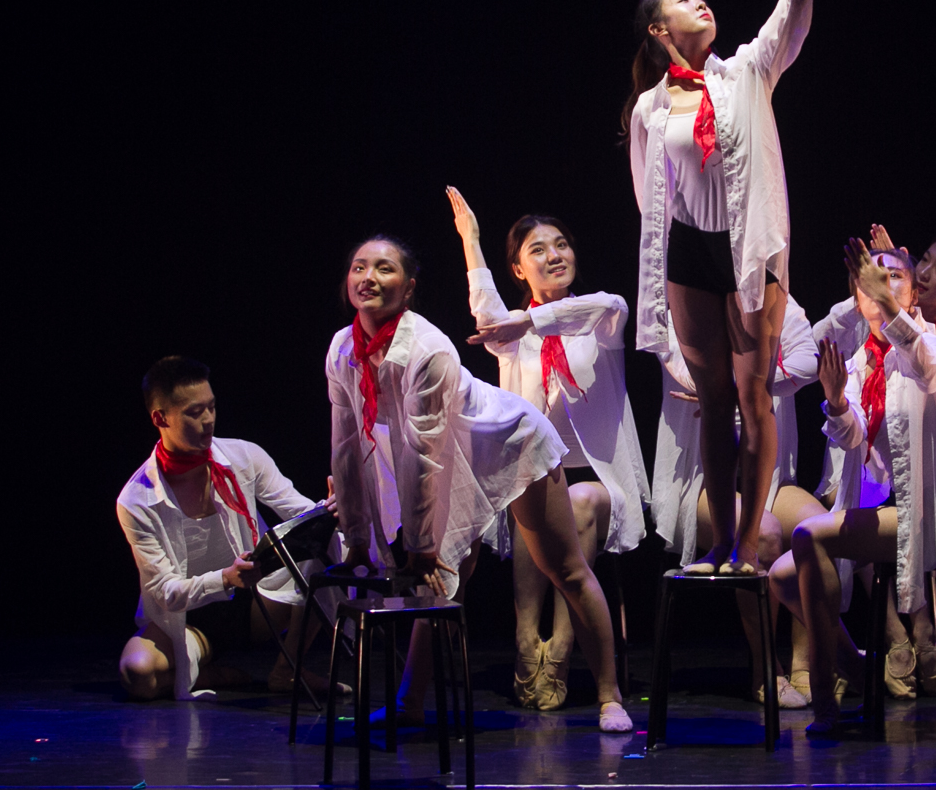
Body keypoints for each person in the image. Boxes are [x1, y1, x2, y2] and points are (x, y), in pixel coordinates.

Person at [328, 235, 631, 732]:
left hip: (508, 442)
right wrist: (357, 541)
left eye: (384, 268)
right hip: (449, 453)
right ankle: (409, 701)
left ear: (408, 287)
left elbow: (423, 452)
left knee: (565, 568)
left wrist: (420, 546)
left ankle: (609, 696)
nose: (369, 278)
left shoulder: (426, 348)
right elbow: (346, 445)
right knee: (446, 577)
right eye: (360, 267)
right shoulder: (343, 349)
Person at [625, 0, 814, 575]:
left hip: (747, 251)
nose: (700, 3)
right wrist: (668, 261)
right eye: (684, 0)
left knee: (752, 395)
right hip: (689, 255)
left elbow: (795, 6)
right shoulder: (650, 110)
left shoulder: (747, 72)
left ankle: (749, 542)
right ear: (658, 28)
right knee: (711, 400)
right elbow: (649, 200)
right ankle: (720, 541)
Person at [769, 240, 936, 732]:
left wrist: (886, 301)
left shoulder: (933, 345)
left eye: (895, 278)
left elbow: (930, 369)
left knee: (809, 535)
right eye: (871, 279)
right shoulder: (856, 364)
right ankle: (854, 663)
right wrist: (836, 402)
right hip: (888, 513)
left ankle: (825, 700)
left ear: (913, 296)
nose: (881, 284)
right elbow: (853, 439)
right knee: (781, 577)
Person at [447, 189, 650, 713]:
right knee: (531, 494)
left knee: (575, 502)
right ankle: (524, 638)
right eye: (538, 250)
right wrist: (471, 240)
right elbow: (486, 313)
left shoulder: (598, 321)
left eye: (561, 245)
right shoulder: (512, 333)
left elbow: (613, 304)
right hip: (538, 478)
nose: (555, 255)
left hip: (599, 480)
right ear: (518, 269)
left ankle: (560, 647)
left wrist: (532, 320)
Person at [117, 356, 336, 700]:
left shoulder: (243, 457)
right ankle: (207, 674)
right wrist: (225, 579)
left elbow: (300, 513)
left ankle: (287, 670)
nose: (208, 421)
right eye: (194, 412)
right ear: (160, 418)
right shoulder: (137, 500)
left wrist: (329, 510)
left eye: (211, 407)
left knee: (330, 548)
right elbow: (163, 590)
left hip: (257, 604)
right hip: (189, 620)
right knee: (138, 674)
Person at [651, 296, 822, 707]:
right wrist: (755, 383)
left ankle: (806, 663)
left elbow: (808, 361)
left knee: (817, 531)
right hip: (697, 482)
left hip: (771, 480)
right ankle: (766, 667)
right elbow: (690, 374)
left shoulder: (776, 301)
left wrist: (747, 387)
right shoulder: (686, 303)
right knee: (763, 533)